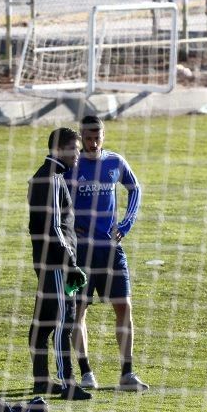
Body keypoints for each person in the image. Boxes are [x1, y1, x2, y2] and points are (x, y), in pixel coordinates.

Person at [66, 115, 149, 392]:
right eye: (87, 138)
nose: (92, 143)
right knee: (78, 310)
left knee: (124, 307)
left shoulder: (115, 162)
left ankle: (127, 373)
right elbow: (53, 199)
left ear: (104, 135)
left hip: (112, 250)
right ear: (80, 137)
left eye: (96, 137)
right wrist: (68, 228)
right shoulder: (71, 167)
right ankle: (86, 371)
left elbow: (135, 188)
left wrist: (126, 223)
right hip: (82, 252)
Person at [27, 127, 92, 401]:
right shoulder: (52, 179)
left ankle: (42, 381)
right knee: (64, 322)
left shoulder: (42, 177)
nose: (78, 154)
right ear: (60, 149)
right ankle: (67, 383)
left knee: (41, 325)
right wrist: (71, 263)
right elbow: (54, 226)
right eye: (75, 149)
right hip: (57, 265)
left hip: (46, 261)